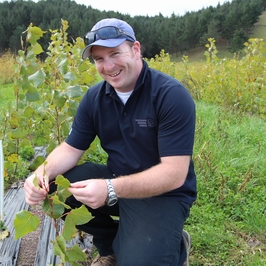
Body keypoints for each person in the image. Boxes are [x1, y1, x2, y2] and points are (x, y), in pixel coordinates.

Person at [24, 18, 197, 266]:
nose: (109, 66)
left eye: (115, 53)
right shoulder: (95, 98)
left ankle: (174, 243)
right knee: (54, 187)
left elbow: (174, 174)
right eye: (99, 59)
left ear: (135, 50)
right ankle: (111, 246)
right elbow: (71, 148)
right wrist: (40, 173)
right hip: (116, 181)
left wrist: (110, 189)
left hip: (164, 195)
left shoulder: (170, 95)